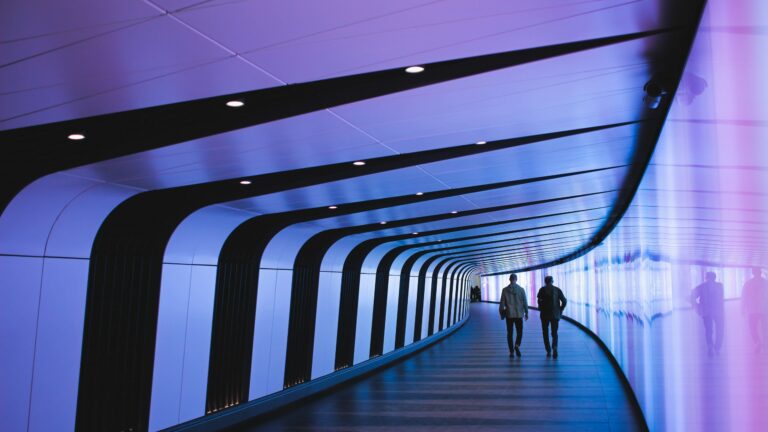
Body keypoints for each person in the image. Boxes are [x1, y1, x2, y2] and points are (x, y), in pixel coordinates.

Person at [691, 271, 725, 356]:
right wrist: (698, 307)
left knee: (709, 330)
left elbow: (692, 297)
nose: (709, 280)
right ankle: (715, 347)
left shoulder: (702, 287)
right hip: (713, 311)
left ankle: (713, 346)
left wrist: (697, 307)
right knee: (716, 330)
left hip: (711, 311)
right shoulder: (718, 286)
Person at [537, 276, 567, 358]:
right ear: (552, 281)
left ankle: (548, 350)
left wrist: (541, 307)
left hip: (544, 315)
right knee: (554, 333)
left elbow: (539, 300)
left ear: (545, 282)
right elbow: (564, 301)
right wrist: (560, 309)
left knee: (545, 332)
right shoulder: (557, 290)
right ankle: (555, 347)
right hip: (554, 314)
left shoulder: (542, 290)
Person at [499, 273, 528, 357]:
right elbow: (525, 302)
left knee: (510, 333)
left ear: (509, 279)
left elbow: (502, 303)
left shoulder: (504, 290)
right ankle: (517, 345)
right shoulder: (521, 290)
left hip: (509, 315)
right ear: (516, 279)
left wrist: (502, 314)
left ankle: (511, 351)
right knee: (520, 332)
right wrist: (526, 312)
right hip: (519, 315)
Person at [742, 267, 767, 353]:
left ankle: (757, 342)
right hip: (764, 309)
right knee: (765, 328)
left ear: (753, 273)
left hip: (752, 310)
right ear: (760, 273)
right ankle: (765, 345)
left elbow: (744, 296)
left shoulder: (748, 283)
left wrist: (743, 308)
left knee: (752, 328)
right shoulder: (765, 283)